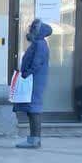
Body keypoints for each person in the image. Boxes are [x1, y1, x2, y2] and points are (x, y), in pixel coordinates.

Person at [14, 18, 53, 149]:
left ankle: (35, 140)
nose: (30, 29)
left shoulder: (40, 44)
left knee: (34, 109)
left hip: (34, 80)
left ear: (39, 31)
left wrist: (26, 73)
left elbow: (37, 62)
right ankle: (33, 139)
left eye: (33, 28)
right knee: (32, 109)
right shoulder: (38, 43)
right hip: (33, 79)